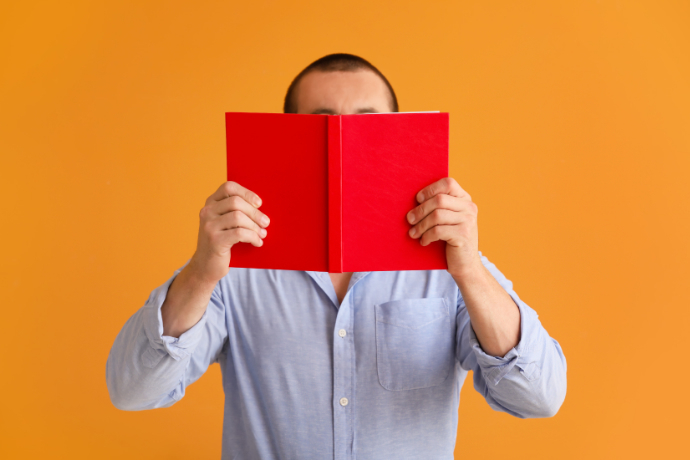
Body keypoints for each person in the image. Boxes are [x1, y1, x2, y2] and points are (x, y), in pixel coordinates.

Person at [106, 53, 567, 459]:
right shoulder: (234, 267)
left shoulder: (449, 266)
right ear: (287, 138)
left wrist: (468, 270)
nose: (346, 140)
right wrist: (202, 274)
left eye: (369, 122)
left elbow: (539, 396)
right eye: (320, 122)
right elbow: (132, 390)